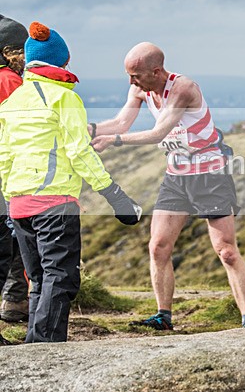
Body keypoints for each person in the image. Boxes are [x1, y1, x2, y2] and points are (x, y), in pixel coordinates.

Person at [91, 43, 245, 330]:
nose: (131, 82)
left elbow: (158, 133)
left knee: (226, 250)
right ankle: (163, 316)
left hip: (210, 175)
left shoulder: (184, 88)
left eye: (136, 75)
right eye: (129, 76)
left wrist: (114, 142)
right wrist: (89, 130)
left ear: (156, 71)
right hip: (176, 176)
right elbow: (121, 123)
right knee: (158, 246)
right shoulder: (140, 87)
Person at [0, 21, 142, 343]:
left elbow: (4, 156)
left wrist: (10, 202)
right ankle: (45, 348)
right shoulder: (65, 101)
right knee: (60, 278)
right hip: (54, 203)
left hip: (19, 205)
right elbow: (80, 154)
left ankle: (35, 346)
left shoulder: (11, 103)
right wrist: (116, 196)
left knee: (39, 279)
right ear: (61, 62)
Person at [0, 15, 32, 327]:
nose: (24, 57)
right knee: (17, 238)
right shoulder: (10, 82)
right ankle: (15, 301)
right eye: (17, 50)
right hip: (8, 174)